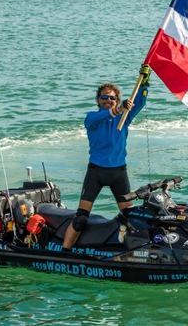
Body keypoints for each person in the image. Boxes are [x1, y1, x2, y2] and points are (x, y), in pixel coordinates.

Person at [62, 65, 151, 249]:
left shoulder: (124, 117)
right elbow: (103, 117)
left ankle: (135, 248)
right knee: (80, 219)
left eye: (112, 98)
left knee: (131, 217)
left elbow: (140, 102)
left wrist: (145, 82)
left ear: (116, 99)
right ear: (98, 100)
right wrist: (118, 109)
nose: (108, 100)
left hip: (119, 173)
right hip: (96, 172)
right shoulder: (92, 118)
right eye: (105, 97)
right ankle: (64, 252)